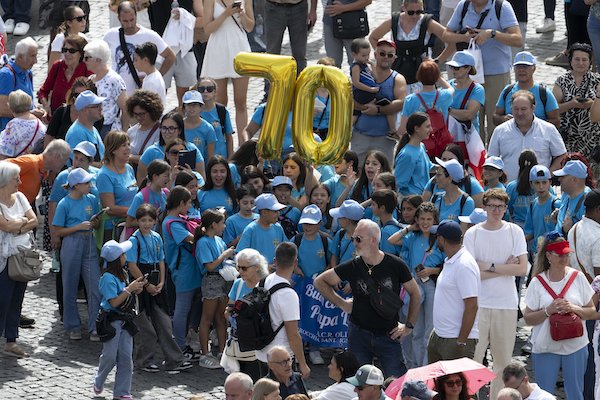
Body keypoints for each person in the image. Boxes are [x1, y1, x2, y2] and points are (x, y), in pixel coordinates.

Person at [315, 219, 421, 377]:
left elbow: (415, 293)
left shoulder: (396, 264)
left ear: (373, 240)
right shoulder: (352, 265)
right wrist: (342, 304)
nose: (354, 243)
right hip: (359, 334)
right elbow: (320, 282)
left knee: (396, 382)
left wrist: (409, 326)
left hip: (388, 335)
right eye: (353, 239)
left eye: (358, 239)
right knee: (359, 382)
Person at [463, 188, 528, 399]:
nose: (496, 210)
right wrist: (504, 267)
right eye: (492, 206)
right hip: (478, 304)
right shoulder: (473, 234)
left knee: (503, 363)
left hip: (506, 304)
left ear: (506, 208)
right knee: (473, 360)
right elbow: (471, 273)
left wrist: (489, 266)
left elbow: (521, 269)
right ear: (485, 207)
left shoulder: (514, 231)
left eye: (500, 206)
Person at [522, 235, 595, 399]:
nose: (564, 258)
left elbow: (591, 311)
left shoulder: (578, 277)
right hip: (545, 346)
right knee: (543, 394)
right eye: (560, 254)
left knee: (576, 393)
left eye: (567, 254)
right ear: (548, 255)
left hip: (576, 346)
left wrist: (574, 308)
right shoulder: (537, 282)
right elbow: (528, 318)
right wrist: (548, 311)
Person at [442, 0, 522, 141]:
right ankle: (475, 152)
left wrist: (492, 33)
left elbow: (517, 39)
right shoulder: (463, 6)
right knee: (472, 122)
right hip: (469, 76)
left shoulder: (501, 7)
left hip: (495, 74)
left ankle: (494, 153)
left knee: (495, 122)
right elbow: (446, 35)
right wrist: (464, 37)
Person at [388, 202, 444, 367]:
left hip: (431, 284)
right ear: (417, 220)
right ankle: (416, 366)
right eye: (422, 219)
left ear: (435, 221)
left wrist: (432, 270)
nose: (425, 223)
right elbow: (392, 240)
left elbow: (447, 263)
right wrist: (409, 228)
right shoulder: (413, 237)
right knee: (416, 329)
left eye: (429, 219)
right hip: (415, 285)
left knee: (429, 329)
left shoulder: (439, 239)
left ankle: (427, 366)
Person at [51, 168, 101, 341]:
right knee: (69, 285)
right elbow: (58, 230)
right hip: (71, 243)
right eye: (86, 183)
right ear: (76, 185)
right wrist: (79, 227)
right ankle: (73, 326)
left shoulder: (92, 199)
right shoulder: (64, 204)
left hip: (88, 242)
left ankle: (96, 326)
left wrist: (93, 223)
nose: (90, 185)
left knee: (95, 285)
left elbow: (96, 222)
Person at [93, 240, 145, 399]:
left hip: (125, 320)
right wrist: (130, 289)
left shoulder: (123, 273)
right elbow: (114, 302)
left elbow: (126, 295)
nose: (125, 256)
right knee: (109, 357)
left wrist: (135, 289)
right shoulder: (107, 278)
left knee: (126, 358)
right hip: (111, 321)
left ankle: (122, 392)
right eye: (123, 254)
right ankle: (99, 380)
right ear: (117, 258)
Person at [369, 0, 451, 94]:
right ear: (403, 8)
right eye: (411, 12)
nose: (415, 16)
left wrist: (437, 61)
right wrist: (385, 56)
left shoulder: (427, 22)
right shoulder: (394, 21)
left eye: (419, 12)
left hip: (421, 73)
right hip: (398, 69)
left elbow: (451, 41)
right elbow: (373, 37)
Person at [0, 161, 39, 358]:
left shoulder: (21, 197)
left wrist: (16, 225)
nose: (20, 182)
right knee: (2, 300)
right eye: (16, 179)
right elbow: (5, 226)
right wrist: (22, 222)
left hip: (21, 256)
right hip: (3, 258)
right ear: (5, 180)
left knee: (16, 299)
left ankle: (11, 340)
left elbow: (34, 221)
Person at [427, 219, 479, 363]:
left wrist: (461, 341)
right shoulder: (451, 260)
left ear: (441, 239)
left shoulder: (464, 265)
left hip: (454, 340)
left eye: (437, 237)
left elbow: (472, 305)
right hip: (440, 335)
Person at [256, 243, 311, 379]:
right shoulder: (288, 294)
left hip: (261, 351)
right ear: (295, 262)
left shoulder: (264, 281)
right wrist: (303, 363)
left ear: (275, 261)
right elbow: (293, 334)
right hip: (281, 357)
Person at [488, 90, 567, 182]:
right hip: (508, 186)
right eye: (516, 109)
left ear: (533, 108)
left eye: (523, 109)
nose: (519, 113)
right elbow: (491, 160)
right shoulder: (500, 130)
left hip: (539, 187)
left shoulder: (548, 129)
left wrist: (547, 176)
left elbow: (561, 155)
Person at [201, 0, 254, 137]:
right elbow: (207, 29)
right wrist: (226, 14)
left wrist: (242, 14)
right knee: (220, 101)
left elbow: (250, 26)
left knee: (241, 102)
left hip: (239, 47)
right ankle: (222, 140)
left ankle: (243, 143)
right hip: (218, 48)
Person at [351, 39, 406, 165]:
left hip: (384, 139)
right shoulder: (362, 72)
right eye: (382, 53)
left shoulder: (397, 78)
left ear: (394, 58)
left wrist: (378, 110)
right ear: (375, 55)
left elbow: (401, 103)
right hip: (360, 136)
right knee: (356, 172)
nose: (386, 57)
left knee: (383, 174)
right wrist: (363, 107)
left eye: (390, 55)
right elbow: (349, 98)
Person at [102, 1, 175, 95]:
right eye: (125, 21)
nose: (129, 25)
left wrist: (154, 76)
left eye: (132, 20)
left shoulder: (149, 35)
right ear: (119, 19)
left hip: (139, 94)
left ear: (136, 16)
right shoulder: (110, 35)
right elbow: (99, 58)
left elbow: (170, 56)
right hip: (117, 93)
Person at [195, 209, 235, 369]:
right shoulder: (203, 242)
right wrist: (224, 255)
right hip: (211, 281)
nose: (224, 226)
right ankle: (205, 354)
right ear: (213, 224)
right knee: (207, 318)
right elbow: (210, 266)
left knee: (220, 317)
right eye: (222, 223)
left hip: (224, 280)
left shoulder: (218, 240)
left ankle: (222, 351)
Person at [227, 249, 269, 381]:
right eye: (238, 267)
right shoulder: (238, 284)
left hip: (260, 344)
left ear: (256, 267)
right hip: (239, 343)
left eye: (244, 268)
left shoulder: (266, 285)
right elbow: (229, 309)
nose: (240, 271)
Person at [553, 43, 600, 159]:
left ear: (590, 62)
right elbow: (553, 109)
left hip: (592, 135)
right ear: (571, 60)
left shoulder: (597, 80)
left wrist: (591, 104)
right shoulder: (562, 81)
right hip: (568, 134)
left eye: (584, 60)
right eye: (577, 59)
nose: (581, 63)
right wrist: (571, 104)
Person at [493, 51, 560, 129]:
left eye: (525, 67)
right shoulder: (507, 90)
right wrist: (502, 119)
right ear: (514, 69)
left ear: (534, 69)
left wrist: (532, 124)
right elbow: (495, 117)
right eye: (518, 67)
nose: (521, 70)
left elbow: (556, 121)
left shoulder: (544, 92)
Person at [96, 131, 138, 243]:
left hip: (131, 224)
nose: (128, 148)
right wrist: (138, 211)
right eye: (124, 145)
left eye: (128, 144)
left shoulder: (129, 168)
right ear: (113, 150)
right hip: (113, 229)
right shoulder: (104, 175)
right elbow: (110, 209)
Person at [397, 60, 454, 142]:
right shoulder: (445, 95)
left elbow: (402, 129)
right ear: (437, 77)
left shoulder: (410, 100)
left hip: (420, 144)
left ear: (419, 77)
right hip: (441, 142)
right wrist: (438, 77)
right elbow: (451, 88)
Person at [83, 39, 129, 136]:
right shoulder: (90, 80)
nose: (84, 61)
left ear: (98, 60)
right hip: (93, 129)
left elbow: (125, 109)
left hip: (109, 132)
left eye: (87, 58)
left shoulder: (115, 80)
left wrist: (124, 134)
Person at [38, 34, 92, 116]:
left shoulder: (87, 69)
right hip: (55, 118)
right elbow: (43, 91)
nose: (67, 53)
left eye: (72, 51)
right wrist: (46, 106)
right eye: (64, 50)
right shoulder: (57, 66)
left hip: (78, 118)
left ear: (81, 53)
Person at [6, 139, 72, 205]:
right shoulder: (30, 162)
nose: (65, 163)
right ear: (57, 157)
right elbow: (3, 168)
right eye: (65, 159)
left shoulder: (45, 172)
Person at [0, 37, 43, 132]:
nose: (36, 61)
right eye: (32, 56)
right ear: (20, 57)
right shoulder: (7, 75)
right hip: (9, 134)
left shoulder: (28, 73)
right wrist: (30, 114)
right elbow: (2, 109)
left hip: (25, 132)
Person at [44, 77, 100, 145]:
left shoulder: (97, 117)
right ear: (73, 96)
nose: (80, 98)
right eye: (77, 95)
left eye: (85, 95)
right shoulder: (61, 112)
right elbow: (48, 139)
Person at [446, 51, 485, 147]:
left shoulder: (477, 89)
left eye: (457, 68)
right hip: (450, 136)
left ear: (468, 68)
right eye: (451, 67)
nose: (453, 70)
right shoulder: (447, 85)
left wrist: (448, 110)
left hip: (469, 139)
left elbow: (469, 114)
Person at [237, 193, 287, 266]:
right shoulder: (251, 229)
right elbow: (241, 256)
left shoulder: (278, 228)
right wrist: (263, 267)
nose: (278, 214)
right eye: (275, 211)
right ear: (264, 212)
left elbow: (284, 250)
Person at [394, 112, 433, 197]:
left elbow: (428, 167)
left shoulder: (421, 146)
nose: (431, 130)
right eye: (427, 127)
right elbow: (398, 183)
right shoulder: (407, 154)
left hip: (422, 198)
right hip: (411, 200)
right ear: (416, 128)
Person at [0, 90, 46, 159]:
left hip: (17, 163)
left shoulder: (12, 126)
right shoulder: (39, 123)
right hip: (35, 162)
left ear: (10, 107)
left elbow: (5, 151)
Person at [125, 90, 163, 171]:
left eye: (142, 114)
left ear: (152, 111)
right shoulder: (131, 131)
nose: (138, 117)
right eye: (136, 114)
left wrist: (130, 157)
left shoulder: (161, 131)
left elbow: (156, 159)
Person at [430, 158, 475, 225]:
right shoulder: (435, 198)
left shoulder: (467, 202)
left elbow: (463, 229)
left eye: (439, 175)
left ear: (450, 178)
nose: (435, 178)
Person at [65, 90, 106, 164]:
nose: (101, 108)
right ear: (85, 110)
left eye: (101, 105)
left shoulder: (93, 129)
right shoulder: (76, 133)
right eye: (97, 106)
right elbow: (81, 164)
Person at [197, 77, 235, 156]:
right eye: (202, 89)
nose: (205, 91)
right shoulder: (194, 112)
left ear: (215, 92)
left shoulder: (221, 111)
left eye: (209, 89)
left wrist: (230, 158)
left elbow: (229, 138)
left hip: (220, 157)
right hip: (202, 158)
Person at [554, 160, 592, 235]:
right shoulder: (566, 194)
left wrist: (570, 230)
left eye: (563, 176)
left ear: (574, 179)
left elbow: (588, 235)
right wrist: (557, 219)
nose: (559, 179)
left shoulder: (588, 202)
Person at [183, 90, 217, 162]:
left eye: (195, 105)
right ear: (184, 107)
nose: (191, 108)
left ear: (201, 107)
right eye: (189, 105)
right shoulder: (179, 126)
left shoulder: (208, 128)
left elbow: (210, 155)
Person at [133, 42, 166, 107]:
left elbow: (148, 107)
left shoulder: (151, 82)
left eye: (136, 60)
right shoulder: (153, 76)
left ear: (145, 60)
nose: (134, 63)